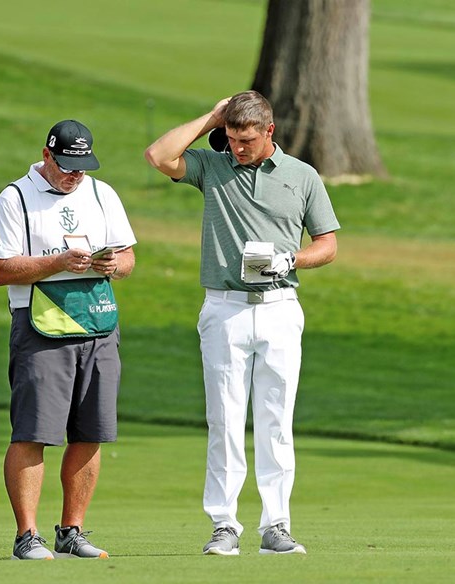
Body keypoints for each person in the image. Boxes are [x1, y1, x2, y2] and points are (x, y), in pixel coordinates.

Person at [144, 91, 339, 556]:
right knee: (225, 420)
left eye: (247, 139)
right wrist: (213, 115)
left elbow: (327, 244)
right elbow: (158, 155)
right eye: (231, 138)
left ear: (269, 131)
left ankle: (277, 525)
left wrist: (291, 258)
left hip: (280, 307)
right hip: (224, 308)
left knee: (276, 422)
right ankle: (224, 526)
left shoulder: (302, 176)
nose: (238, 148)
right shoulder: (213, 168)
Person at [0, 119, 136, 560]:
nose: (75, 174)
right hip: (41, 325)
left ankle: (72, 531)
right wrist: (59, 261)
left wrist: (114, 266)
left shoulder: (102, 193)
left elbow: (127, 256)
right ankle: (26, 536)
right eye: (68, 164)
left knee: (91, 431)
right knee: (33, 431)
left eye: (83, 166)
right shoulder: (15, 198)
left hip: (99, 323)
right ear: (48, 155)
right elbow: (1, 270)